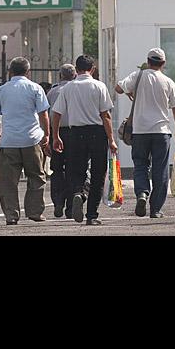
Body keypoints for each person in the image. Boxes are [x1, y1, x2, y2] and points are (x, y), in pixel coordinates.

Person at [115, 47, 175, 218]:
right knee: (160, 170)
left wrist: (131, 92)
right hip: (161, 132)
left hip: (140, 131)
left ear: (147, 61)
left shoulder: (137, 76)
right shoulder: (168, 81)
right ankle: (156, 209)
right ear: (163, 63)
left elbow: (118, 88)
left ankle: (142, 194)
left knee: (140, 165)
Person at [51, 55, 118, 225]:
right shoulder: (99, 86)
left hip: (75, 133)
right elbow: (106, 115)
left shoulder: (68, 88)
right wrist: (111, 139)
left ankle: (78, 194)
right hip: (96, 133)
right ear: (93, 69)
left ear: (77, 68)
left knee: (76, 170)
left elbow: (56, 113)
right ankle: (92, 215)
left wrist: (56, 136)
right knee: (97, 174)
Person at [0, 56, 51, 225]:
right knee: (37, 177)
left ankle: (11, 215)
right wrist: (47, 135)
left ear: (10, 71)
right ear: (28, 72)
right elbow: (43, 114)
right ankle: (35, 212)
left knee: (8, 181)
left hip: (9, 141)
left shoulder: (1, 90)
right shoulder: (35, 88)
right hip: (32, 139)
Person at [46, 64, 87, 219]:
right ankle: (70, 207)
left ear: (60, 76)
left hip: (57, 131)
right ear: (75, 75)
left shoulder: (52, 92)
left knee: (57, 169)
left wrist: (49, 138)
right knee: (73, 169)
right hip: (75, 132)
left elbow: (48, 115)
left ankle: (57, 201)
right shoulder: (78, 90)